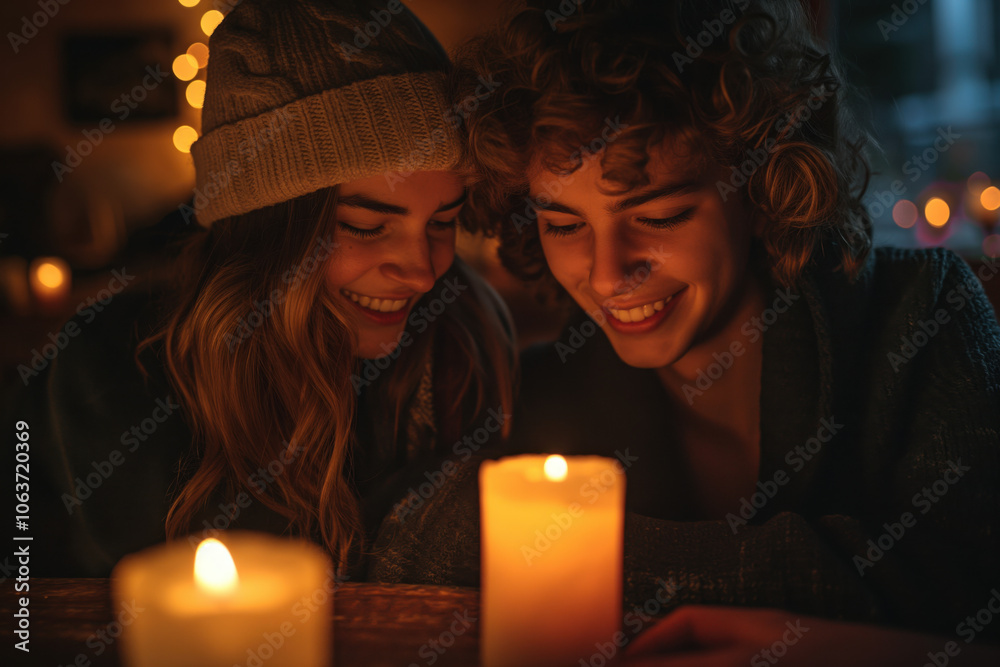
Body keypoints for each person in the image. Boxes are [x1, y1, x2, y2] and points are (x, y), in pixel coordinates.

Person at [376, 0, 1000, 650]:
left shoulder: (923, 314)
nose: (610, 273)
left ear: (761, 188)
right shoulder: (540, 391)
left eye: (661, 216)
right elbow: (407, 542)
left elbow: (957, 588)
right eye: (563, 224)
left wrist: (583, 551)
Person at [8, 0, 514, 580]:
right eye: (365, 226)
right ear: (265, 231)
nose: (423, 272)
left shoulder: (466, 321)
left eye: (443, 221)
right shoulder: (115, 371)